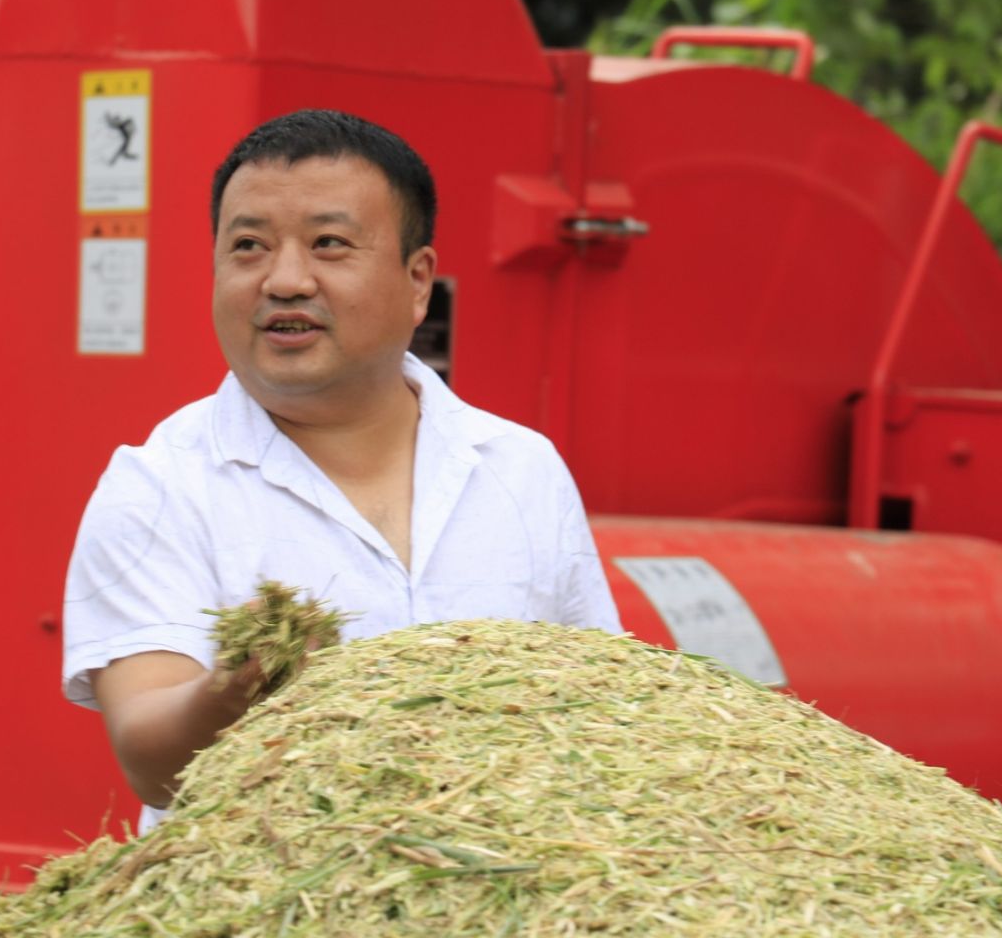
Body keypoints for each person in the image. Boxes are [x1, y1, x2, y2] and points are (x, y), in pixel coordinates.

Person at [61, 109, 622, 830]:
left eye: (329, 244)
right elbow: (151, 761)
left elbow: (601, 706)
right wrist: (235, 689)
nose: (286, 280)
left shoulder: (521, 469)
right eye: (249, 247)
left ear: (417, 281)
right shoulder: (158, 488)